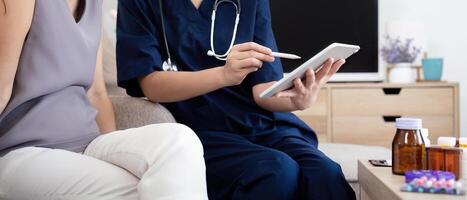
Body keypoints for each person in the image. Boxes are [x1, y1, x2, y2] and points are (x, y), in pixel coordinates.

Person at [116, 0, 356, 199]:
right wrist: (224, 75)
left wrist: (296, 100)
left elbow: (263, 89)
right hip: (199, 130)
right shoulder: (140, 3)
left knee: (324, 172)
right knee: (274, 170)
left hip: (261, 124)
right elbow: (151, 85)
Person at [0, 0, 208, 199]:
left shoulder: (93, 3)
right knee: (154, 187)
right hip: (23, 153)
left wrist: (114, 152)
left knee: (180, 141)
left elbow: (96, 94)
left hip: (87, 144)